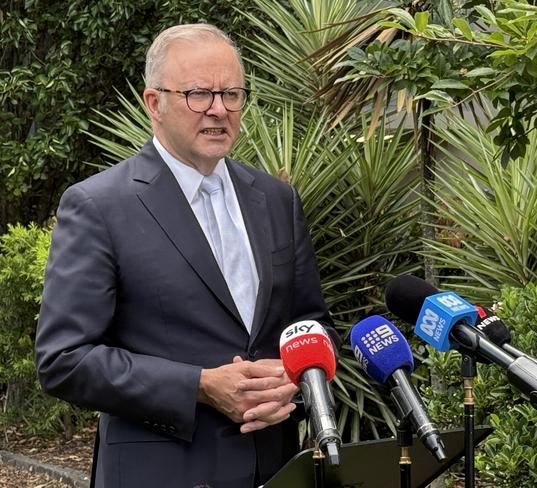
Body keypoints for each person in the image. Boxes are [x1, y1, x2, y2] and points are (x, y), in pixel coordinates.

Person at [34, 23, 338, 488]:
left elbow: (313, 325)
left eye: (232, 93)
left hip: (277, 468)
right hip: (162, 472)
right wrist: (200, 385)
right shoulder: (98, 206)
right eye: (199, 94)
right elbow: (64, 359)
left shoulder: (277, 200)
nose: (219, 110)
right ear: (153, 103)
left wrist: (297, 377)